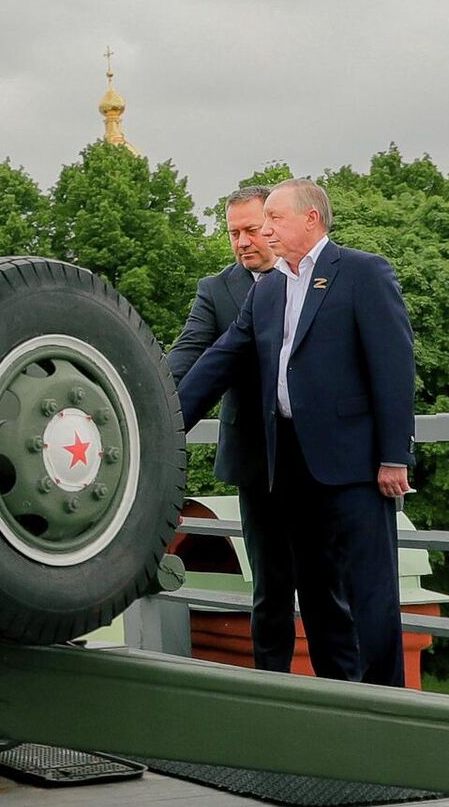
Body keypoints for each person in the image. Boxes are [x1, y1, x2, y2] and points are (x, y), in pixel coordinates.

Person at [175, 178, 415, 686]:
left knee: (371, 594)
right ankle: (332, 703)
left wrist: (395, 456)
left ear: (311, 219)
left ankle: (390, 708)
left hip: (355, 469)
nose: (264, 231)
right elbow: (216, 361)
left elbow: (393, 369)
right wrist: (163, 425)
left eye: (273, 220)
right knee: (313, 592)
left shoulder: (363, 272)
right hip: (290, 471)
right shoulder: (270, 289)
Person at [166, 185, 298, 670]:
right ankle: (272, 691)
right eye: (232, 233)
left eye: (250, 230)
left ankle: (341, 696)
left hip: (318, 457)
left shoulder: (313, 277)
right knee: (270, 588)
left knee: (332, 584)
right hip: (254, 460)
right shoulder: (216, 290)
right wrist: (149, 409)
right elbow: (186, 357)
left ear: (274, 226)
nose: (242, 242)